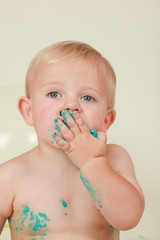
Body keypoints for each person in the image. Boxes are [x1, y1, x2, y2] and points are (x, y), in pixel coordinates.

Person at [0, 41, 145, 240]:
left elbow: (129, 219)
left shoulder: (115, 159)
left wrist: (92, 162)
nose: (70, 105)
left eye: (87, 97)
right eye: (54, 94)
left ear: (106, 120)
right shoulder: (9, 177)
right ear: (28, 111)